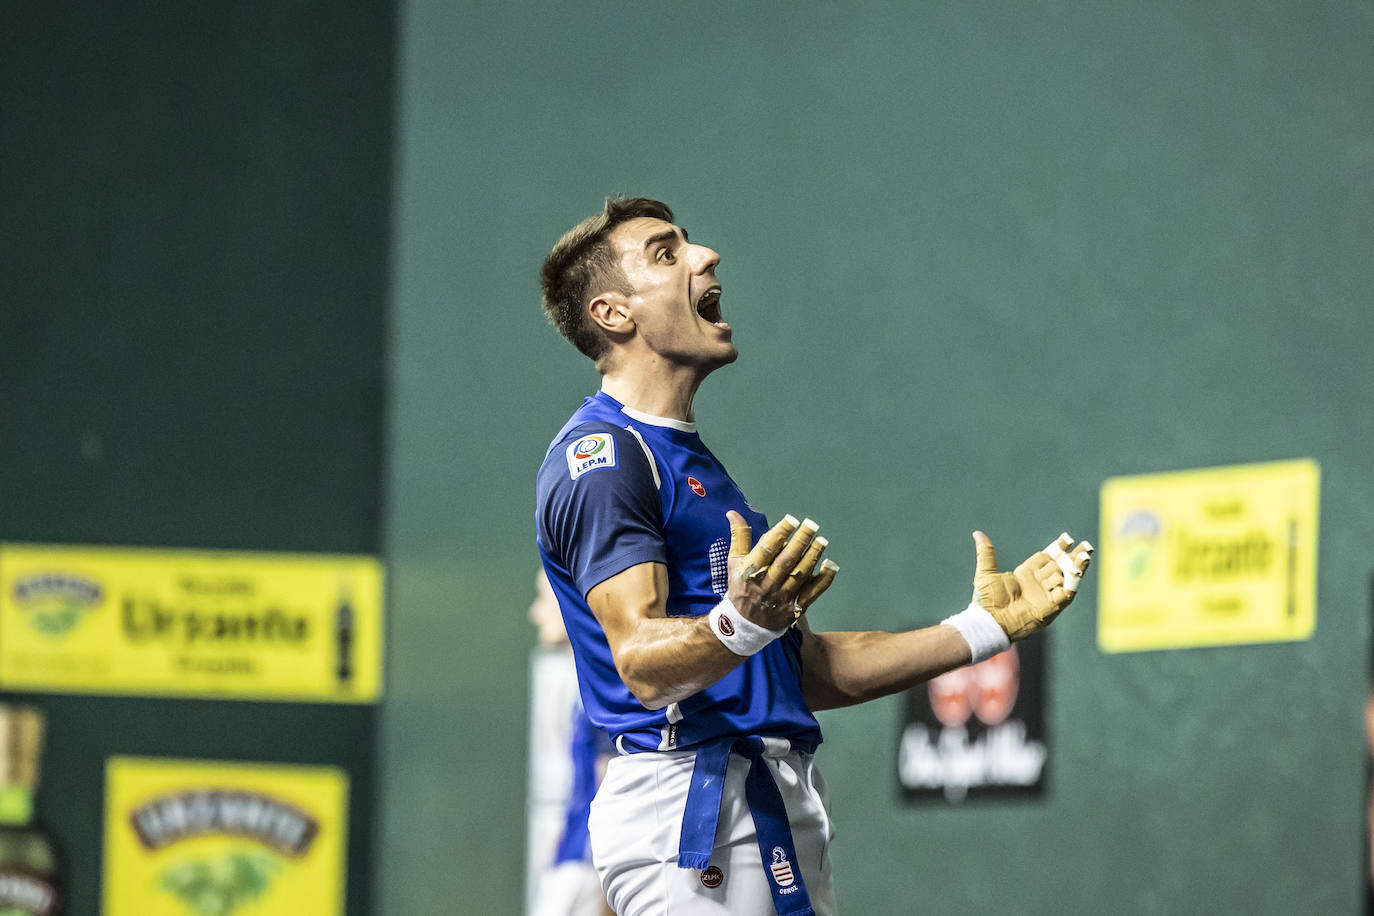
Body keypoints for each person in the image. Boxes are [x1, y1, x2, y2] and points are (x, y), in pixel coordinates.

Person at [534, 197, 1092, 916]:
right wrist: (739, 622)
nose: (707, 257)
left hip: (772, 809)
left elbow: (801, 673)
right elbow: (638, 661)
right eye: (667, 254)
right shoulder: (606, 458)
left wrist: (983, 628)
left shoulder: (691, 462)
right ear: (614, 314)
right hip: (692, 817)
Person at [527, 568, 616, 916]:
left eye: (544, 600)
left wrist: (608, 891)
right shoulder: (589, 687)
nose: (535, 613)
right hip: (577, 866)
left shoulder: (605, 691)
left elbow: (610, 788)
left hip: (588, 871)